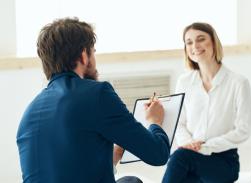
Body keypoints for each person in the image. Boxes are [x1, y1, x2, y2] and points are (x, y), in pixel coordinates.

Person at [16, 17, 170, 183]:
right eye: (93, 52)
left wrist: (115, 155)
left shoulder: (29, 113)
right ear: (83, 56)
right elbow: (157, 154)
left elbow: (67, 170)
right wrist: (155, 121)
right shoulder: (97, 93)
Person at [162, 22, 251, 183]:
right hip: (190, 156)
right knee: (181, 167)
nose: (195, 46)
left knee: (179, 158)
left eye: (201, 39)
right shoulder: (184, 82)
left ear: (214, 42)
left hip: (223, 162)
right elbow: (179, 123)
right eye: (189, 42)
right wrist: (189, 144)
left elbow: (243, 130)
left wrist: (205, 147)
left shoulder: (238, 82)